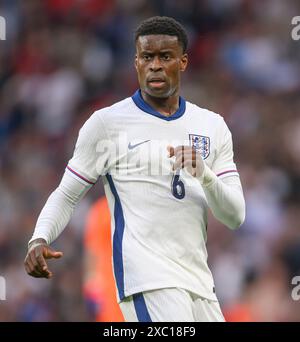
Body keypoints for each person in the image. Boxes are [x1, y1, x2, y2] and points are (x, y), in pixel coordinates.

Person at [24, 16, 245, 322]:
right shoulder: (107, 124)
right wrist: (40, 237)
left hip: (200, 284)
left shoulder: (212, 126)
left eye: (165, 57)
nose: (155, 65)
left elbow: (235, 216)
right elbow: (67, 194)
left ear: (182, 62)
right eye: (146, 57)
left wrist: (205, 175)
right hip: (148, 281)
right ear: (136, 63)